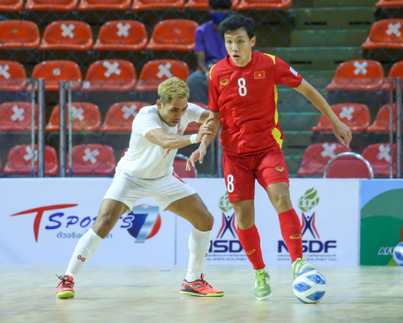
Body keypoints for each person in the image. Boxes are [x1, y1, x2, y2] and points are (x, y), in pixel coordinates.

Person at [187, 15, 353, 300]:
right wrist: (203, 143)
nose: (234, 47)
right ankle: (259, 272)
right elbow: (214, 116)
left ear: (252, 41)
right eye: (229, 42)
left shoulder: (271, 64)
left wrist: (335, 121)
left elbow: (307, 89)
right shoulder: (216, 73)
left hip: (267, 148)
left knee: (281, 196)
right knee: (243, 215)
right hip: (234, 155)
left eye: (240, 41)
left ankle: (298, 262)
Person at [57, 77, 223, 299]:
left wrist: (203, 145)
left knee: (205, 220)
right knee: (103, 223)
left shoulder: (186, 110)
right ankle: (68, 279)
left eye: (183, 109)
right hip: (130, 178)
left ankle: (193, 280)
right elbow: (163, 140)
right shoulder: (145, 117)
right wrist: (195, 137)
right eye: (174, 110)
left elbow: (216, 116)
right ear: (159, 104)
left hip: (163, 178)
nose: (180, 115)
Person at [186, 0, 232, 105]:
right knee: (193, 80)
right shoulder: (201, 31)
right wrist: (208, 74)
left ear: (229, 11)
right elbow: (201, 61)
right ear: (210, 10)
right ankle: (206, 111)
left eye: (223, 9)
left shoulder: (237, 30)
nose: (219, 12)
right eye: (216, 9)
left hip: (232, 70)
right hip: (210, 70)